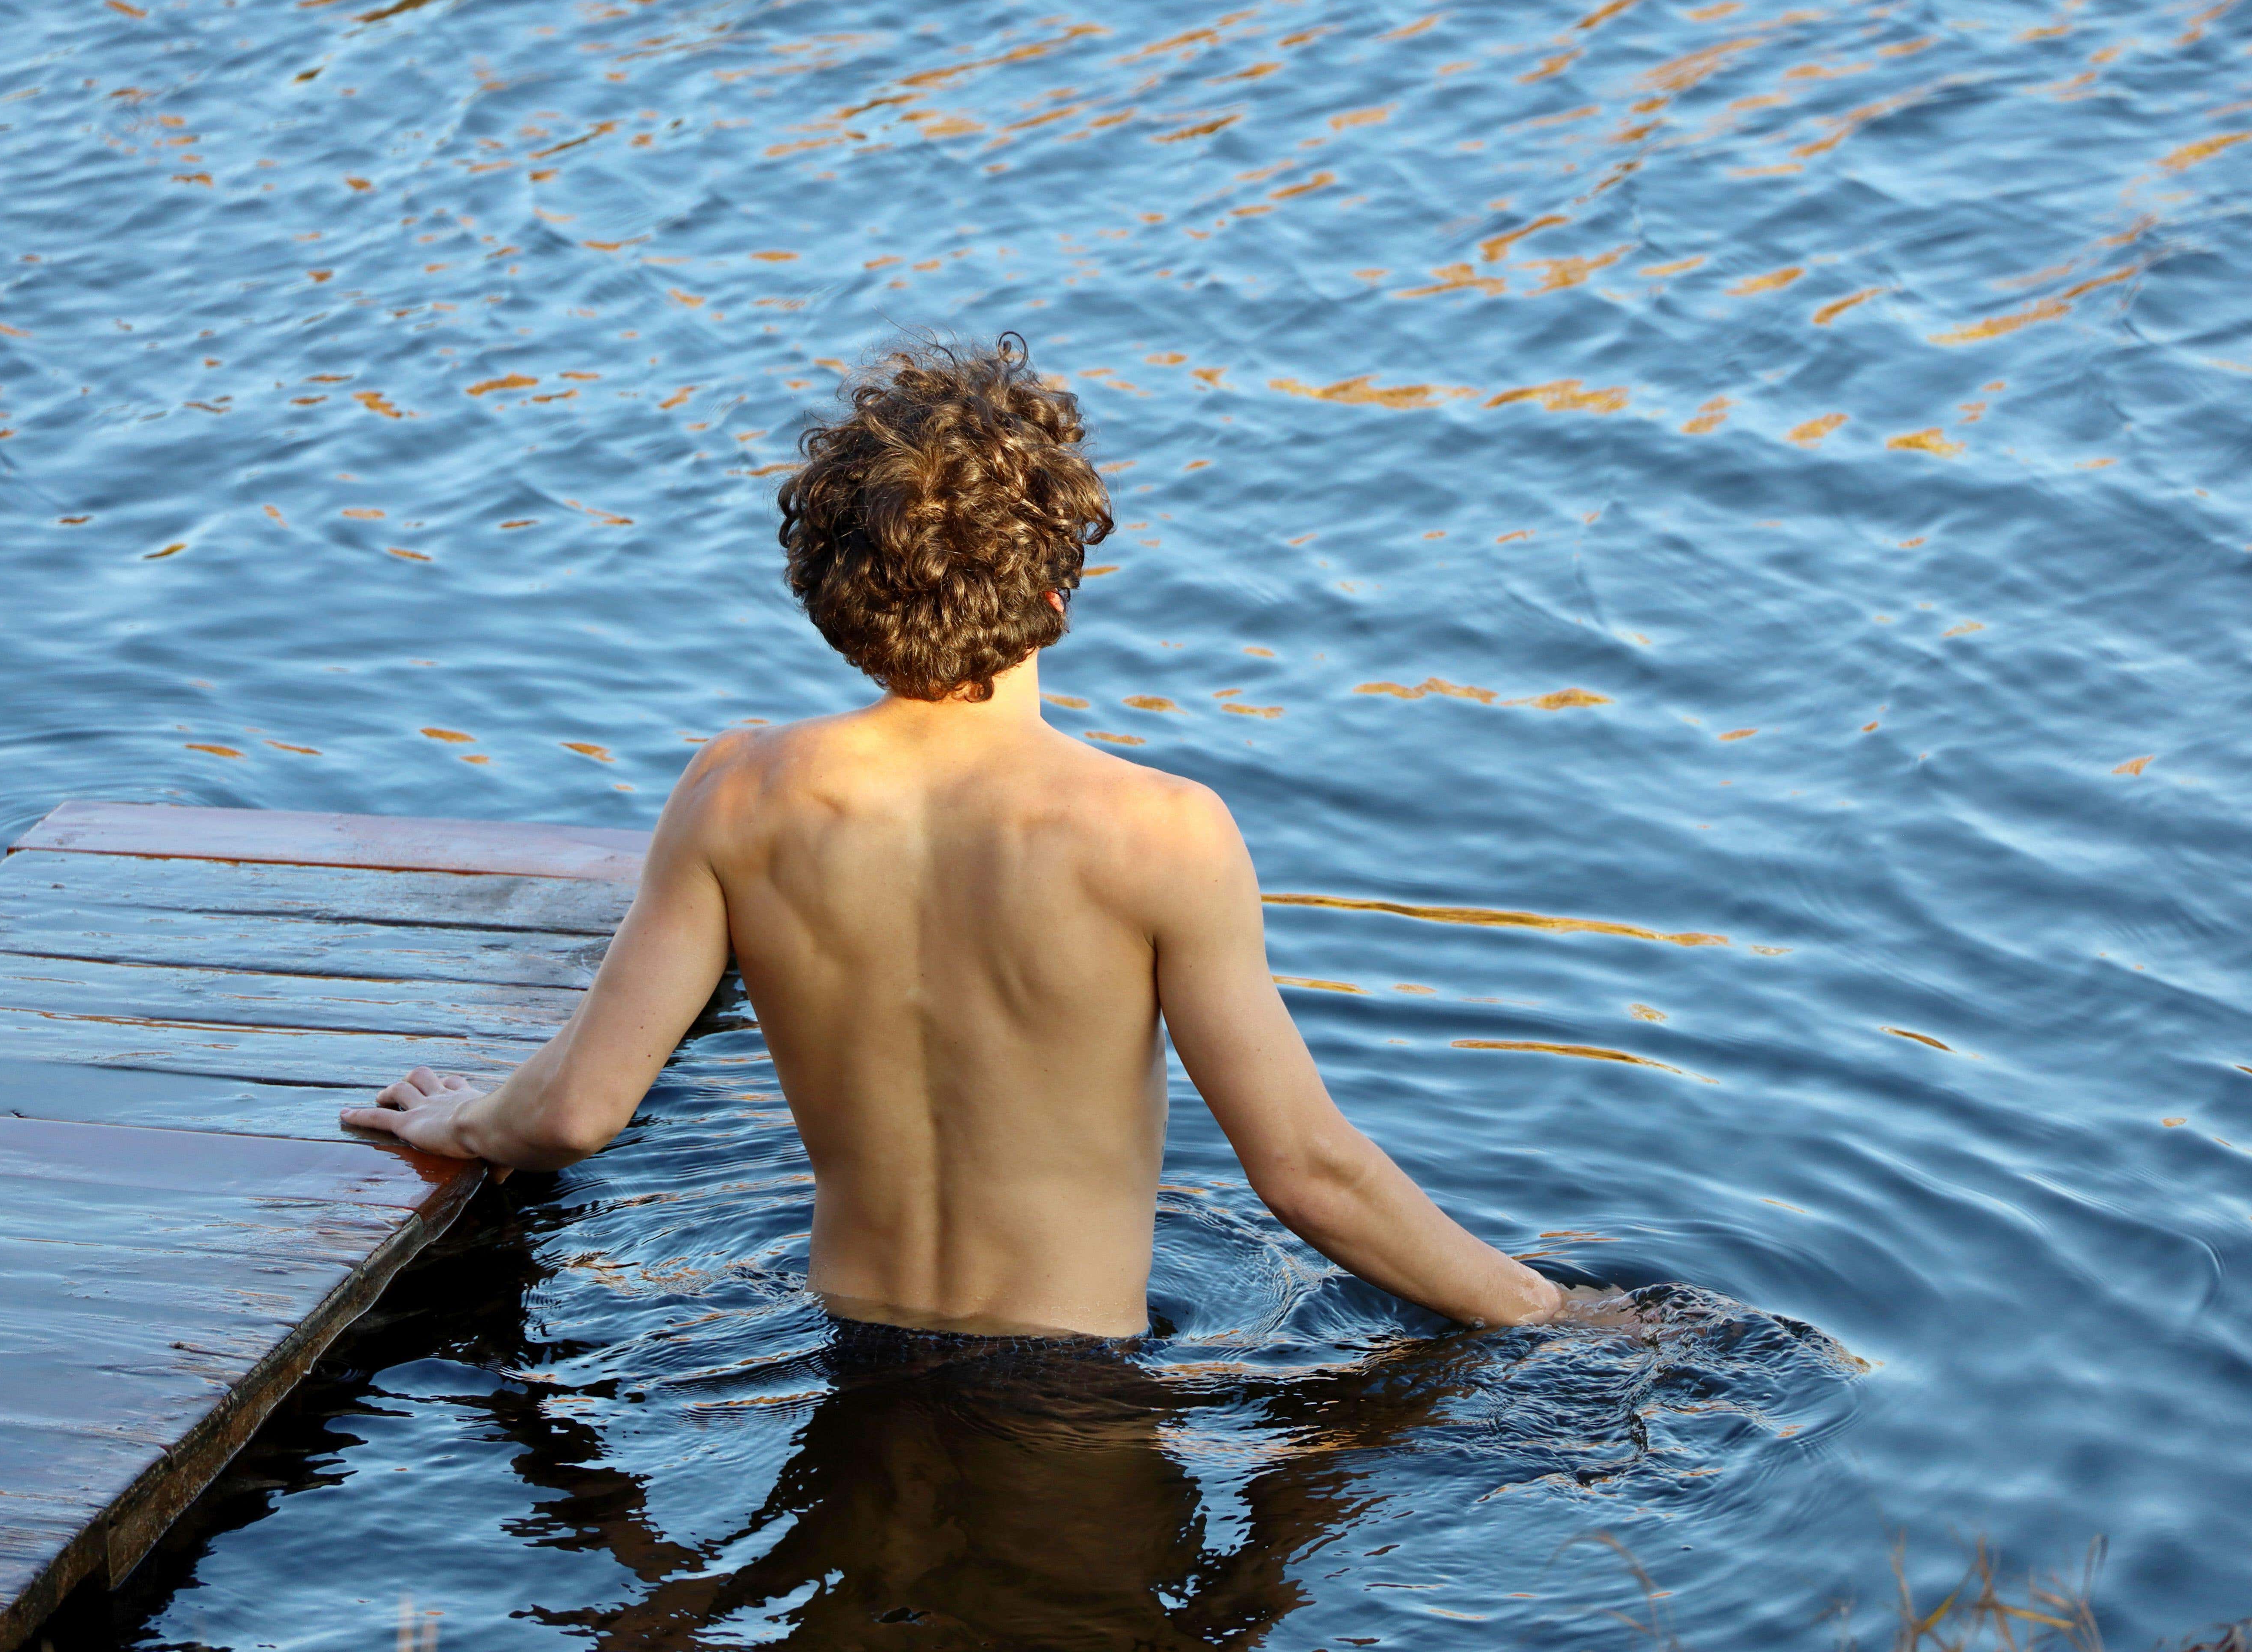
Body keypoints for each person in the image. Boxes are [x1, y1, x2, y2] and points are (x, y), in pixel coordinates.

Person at [345, 332, 1592, 1338]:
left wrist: (459, 1119)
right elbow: (1309, 1173)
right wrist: (1554, 1311)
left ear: (829, 598)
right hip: (1067, 1408)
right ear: (1057, 589)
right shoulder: (1161, 834)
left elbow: (574, 1116)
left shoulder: (737, 793)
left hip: (852, 1369)